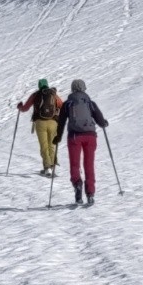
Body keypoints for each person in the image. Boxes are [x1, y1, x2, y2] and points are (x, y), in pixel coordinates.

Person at [56, 78, 108, 207]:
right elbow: (100, 120)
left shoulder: (67, 103)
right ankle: (90, 193)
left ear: (72, 89)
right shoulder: (90, 103)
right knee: (89, 164)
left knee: (75, 164)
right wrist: (104, 123)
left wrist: (58, 136)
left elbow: (61, 122)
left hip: (74, 136)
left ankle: (77, 185)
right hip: (90, 136)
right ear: (84, 89)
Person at [17, 78, 60, 175]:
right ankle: (52, 166)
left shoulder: (35, 95)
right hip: (53, 122)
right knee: (51, 145)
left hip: (40, 123)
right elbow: (61, 105)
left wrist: (20, 106)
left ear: (39, 85)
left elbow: (25, 108)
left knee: (44, 146)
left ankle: (47, 168)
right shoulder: (53, 94)